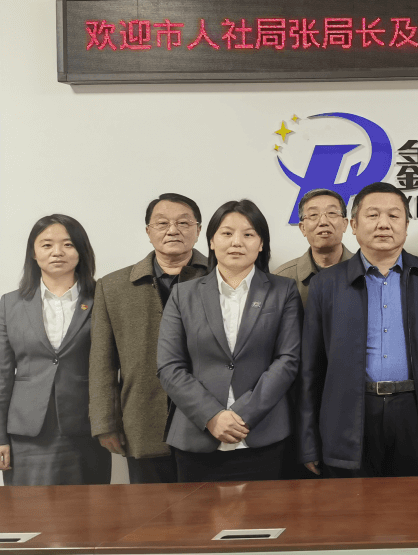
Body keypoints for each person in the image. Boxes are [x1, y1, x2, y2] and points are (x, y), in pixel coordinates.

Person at [300, 182, 418, 477]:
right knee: (352, 502)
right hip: (351, 412)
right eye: (373, 215)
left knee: (417, 500)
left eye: (393, 216)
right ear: (353, 225)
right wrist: (307, 441)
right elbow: (310, 370)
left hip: (415, 411)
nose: (383, 224)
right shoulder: (326, 284)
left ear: (406, 225)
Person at [157, 200, 301, 482]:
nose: (237, 242)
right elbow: (169, 366)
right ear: (212, 241)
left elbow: (288, 360)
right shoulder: (183, 294)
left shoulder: (283, 291)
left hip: (263, 435)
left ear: (261, 243)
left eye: (248, 234)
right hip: (197, 436)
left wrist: (243, 413)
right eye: (226, 233)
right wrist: (212, 415)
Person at [89, 193, 209, 484]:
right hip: (143, 419)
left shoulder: (222, 277)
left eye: (183, 223)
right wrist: (105, 423)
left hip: (209, 419)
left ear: (198, 229)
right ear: (148, 231)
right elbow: (102, 362)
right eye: (162, 223)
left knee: (210, 507)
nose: (173, 230)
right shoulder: (113, 286)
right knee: (151, 509)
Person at [0, 214, 110, 485]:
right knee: (28, 509)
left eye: (68, 244)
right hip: (27, 434)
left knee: (86, 509)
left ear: (81, 251)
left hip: (87, 428)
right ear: (33, 253)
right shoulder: (10, 304)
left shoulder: (103, 298)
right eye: (47, 245)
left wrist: (112, 424)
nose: (57, 252)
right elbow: (2, 375)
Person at [273, 189, 354, 307]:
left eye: (332, 213)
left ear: (345, 224)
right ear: (303, 228)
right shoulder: (281, 278)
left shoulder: (367, 272)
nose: (323, 222)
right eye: (313, 215)